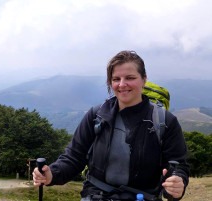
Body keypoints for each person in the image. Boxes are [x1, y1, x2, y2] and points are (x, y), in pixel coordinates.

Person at [33, 50, 189, 201]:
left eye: (130, 77)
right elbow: (74, 158)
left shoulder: (165, 122)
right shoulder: (96, 116)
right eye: (116, 79)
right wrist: (51, 174)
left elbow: (178, 165)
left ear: (144, 79)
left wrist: (177, 184)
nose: (122, 84)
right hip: (96, 195)